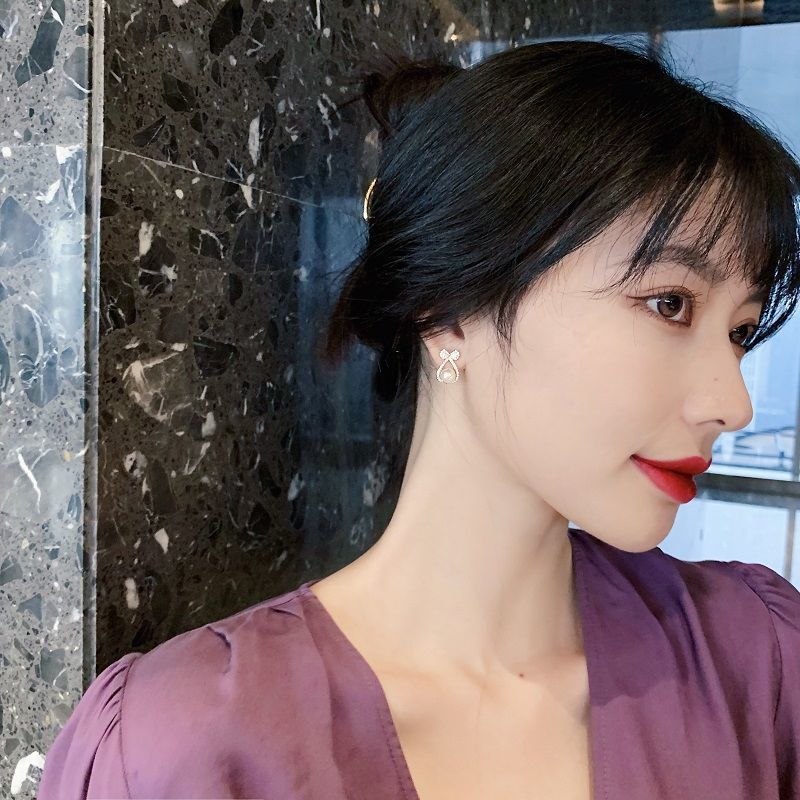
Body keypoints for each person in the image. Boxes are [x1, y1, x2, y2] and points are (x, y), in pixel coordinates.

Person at [38, 36, 800, 800]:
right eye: (670, 304)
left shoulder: (758, 665)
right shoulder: (181, 750)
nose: (731, 403)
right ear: (449, 309)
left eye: (740, 331)